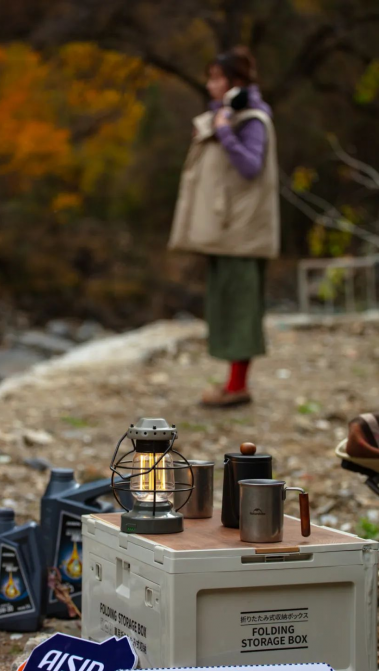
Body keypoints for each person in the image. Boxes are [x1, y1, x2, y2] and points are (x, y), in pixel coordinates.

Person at [169, 46, 280, 407]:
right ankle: (232, 384)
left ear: (235, 82)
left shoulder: (252, 120)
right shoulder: (233, 115)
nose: (209, 84)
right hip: (229, 233)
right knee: (227, 306)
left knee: (240, 308)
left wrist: (224, 131)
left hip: (242, 234)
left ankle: (237, 387)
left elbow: (249, 167)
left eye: (216, 78)